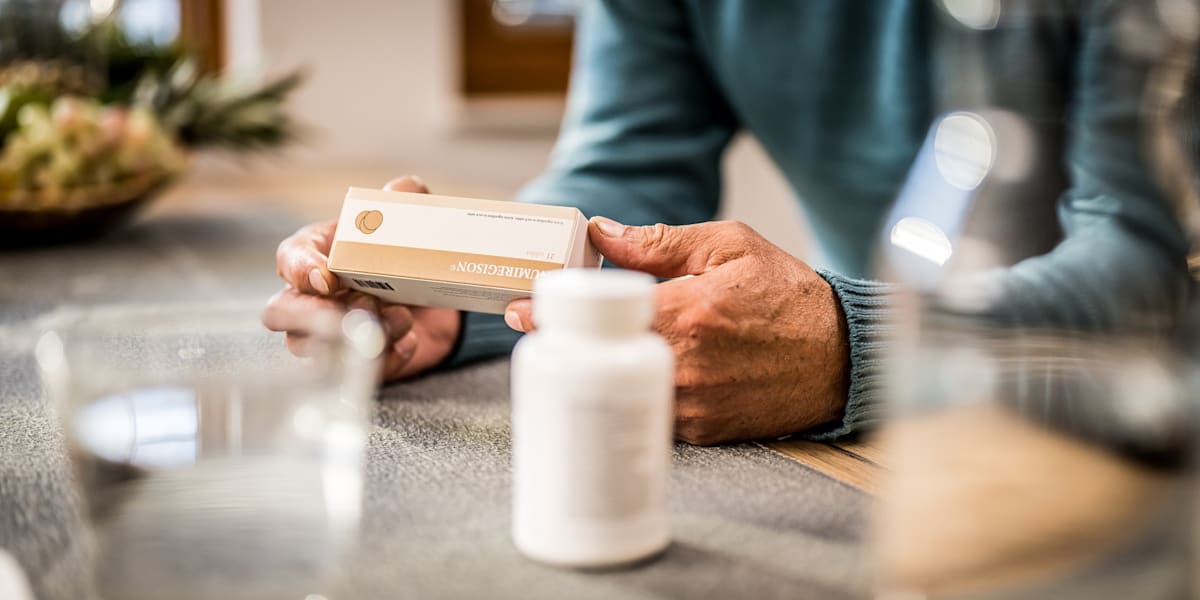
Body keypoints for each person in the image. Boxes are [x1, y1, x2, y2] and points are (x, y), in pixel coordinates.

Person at [266, 1, 1195, 445]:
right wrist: (459, 298)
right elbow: (627, 175)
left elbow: (1149, 263)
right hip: (883, 433)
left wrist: (852, 345)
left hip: (1134, 427)